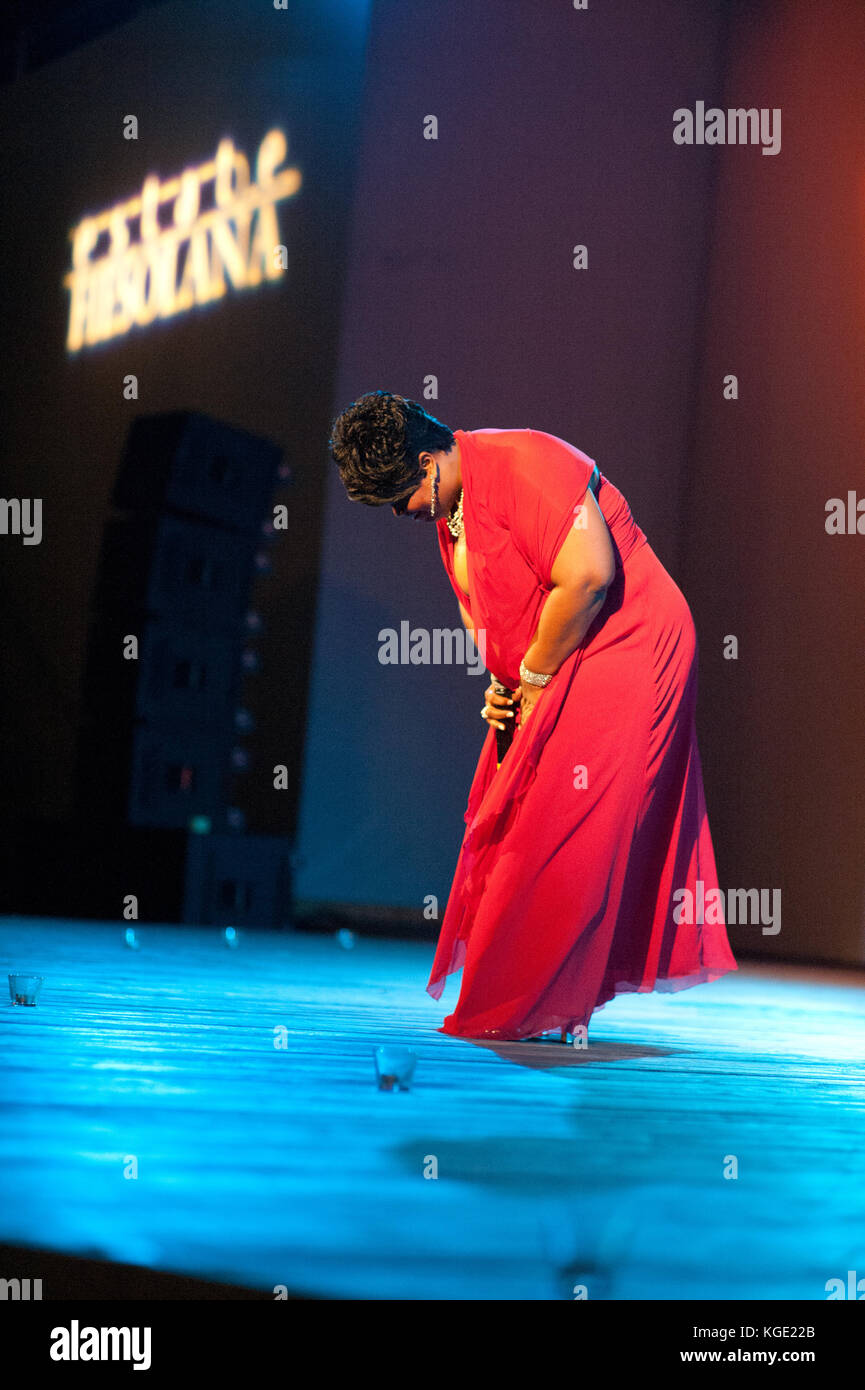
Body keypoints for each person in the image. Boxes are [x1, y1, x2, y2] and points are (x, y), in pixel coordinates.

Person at [329, 391, 737, 1041]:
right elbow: (484, 608)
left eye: (400, 497)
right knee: (515, 819)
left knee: (571, 824)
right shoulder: (452, 509)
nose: (400, 513)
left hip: (627, 642)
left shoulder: (525, 463)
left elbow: (587, 577)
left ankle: (549, 999)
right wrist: (504, 684)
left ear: (430, 461)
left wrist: (533, 676)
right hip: (559, 655)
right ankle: (546, 998)